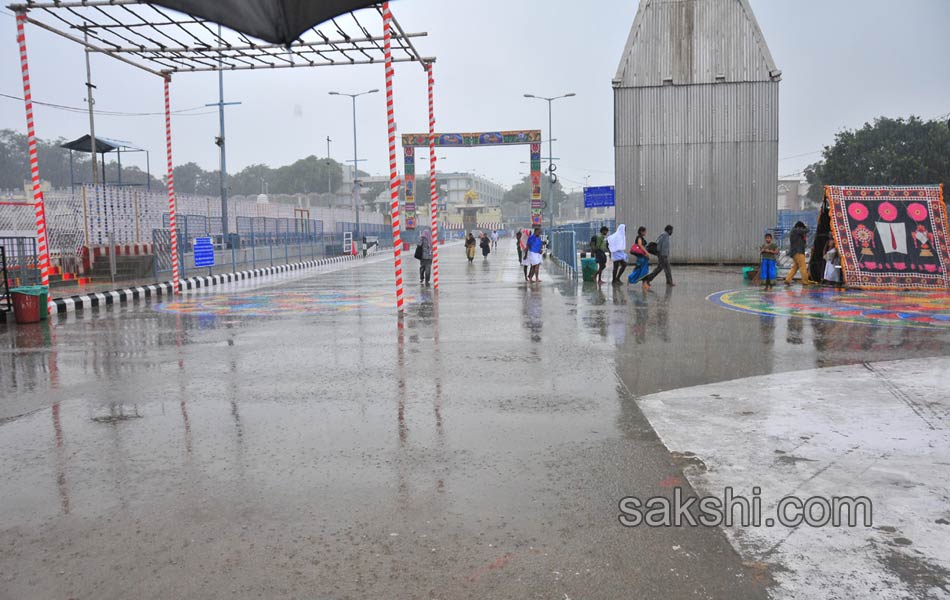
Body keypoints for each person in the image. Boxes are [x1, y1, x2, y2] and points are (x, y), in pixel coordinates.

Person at [783, 221, 813, 286]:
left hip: (795, 252)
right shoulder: (796, 230)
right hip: (798, 252)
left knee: (795, 267)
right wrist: (806, 226)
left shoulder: (794, 231)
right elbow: (807, 230)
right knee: (803, 267)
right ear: (799, 227)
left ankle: (787, 280)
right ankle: (805, 282)